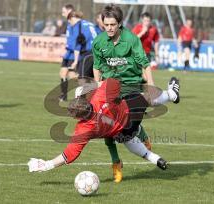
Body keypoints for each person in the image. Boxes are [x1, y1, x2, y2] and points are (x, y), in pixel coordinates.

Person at [92, 4, 178, 183]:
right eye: (106, 24)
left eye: (113, 25)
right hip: (110, 89)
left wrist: (152, 85)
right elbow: (96, 66)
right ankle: (117, 163)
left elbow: (145, 64)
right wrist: (97, 85)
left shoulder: (131, 39)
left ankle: (170, 96)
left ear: (120, 23)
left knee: (139, 114)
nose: (109, 28)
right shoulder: (99, 42)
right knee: (109, 129)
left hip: (132, 87)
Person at [28, 78, 180, 174]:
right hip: (132, 112)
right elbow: (114, 81)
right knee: (146, 98)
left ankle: (155, 158)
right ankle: (171, 94)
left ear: (77, 117)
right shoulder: (100, 96)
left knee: (126, 139)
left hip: (123, 131)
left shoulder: (84, 128)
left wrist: (47, 165)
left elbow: (69, 155)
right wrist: (91, 86)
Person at [67, 11, 97, 78]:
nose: (70, 23)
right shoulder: (90, 24)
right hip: (98, 53)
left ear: (72, 18)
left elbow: (78, 43)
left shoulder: (78, 26)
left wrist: (75, 61)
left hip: (88, 54)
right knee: (92, 78)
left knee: (83, 78)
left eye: (69, 21)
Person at [59, 4, 76, 101]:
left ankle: (86, 91)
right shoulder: (69, 24)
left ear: (69, 11)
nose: (62, 13)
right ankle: (64, 95)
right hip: (68, 53)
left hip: (73, 53)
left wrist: (68, 48)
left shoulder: (75, 24)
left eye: (64, 11)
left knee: (73, 76)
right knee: (62, 73)